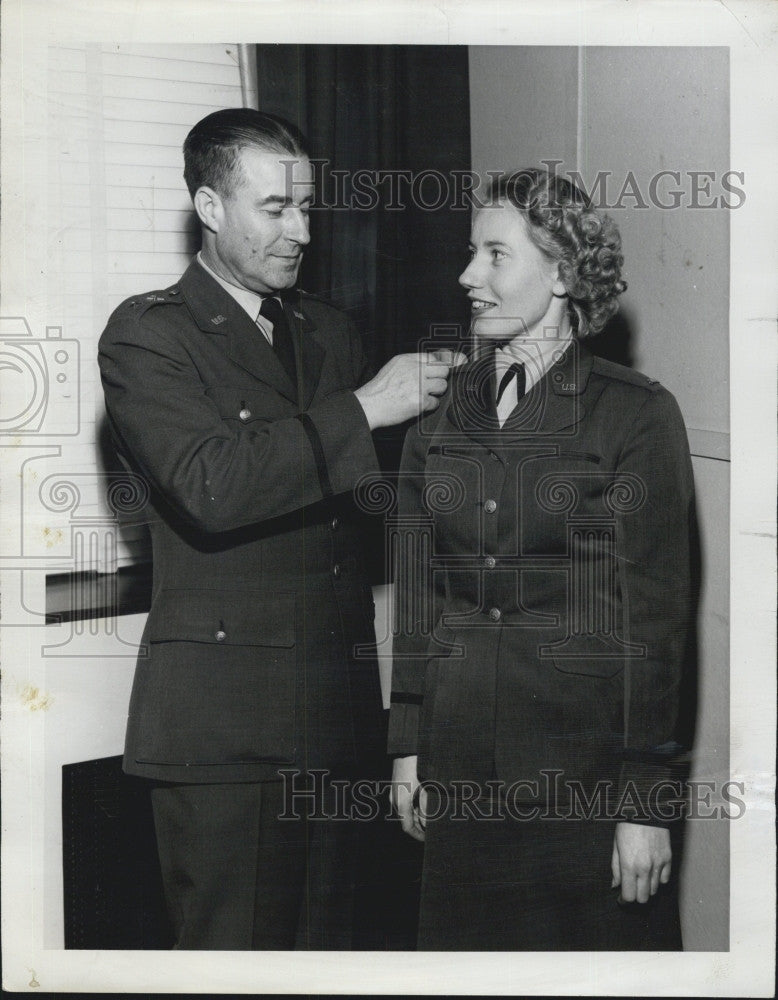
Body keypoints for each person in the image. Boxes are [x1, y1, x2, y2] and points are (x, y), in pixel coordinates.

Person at [98, 107, 456, 950]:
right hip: (224, 734)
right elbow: (211, 487)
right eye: (275, 209)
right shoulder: (150, 334)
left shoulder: (326, 328)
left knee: (328, 956)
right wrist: (368, 406)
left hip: (336, 717)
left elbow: (368, 503)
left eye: (307, 209)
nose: (300, 232)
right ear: (210, 208)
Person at [388, 168, 696, 950]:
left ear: (561, 273)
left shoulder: (636, 415)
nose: (467, 276)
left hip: (583, 775)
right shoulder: (436, 422)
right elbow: (423, 598)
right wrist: (409, 746)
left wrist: (644, 804)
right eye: (470, 254)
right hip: (458, 766)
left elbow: (655, 625)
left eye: (495, 255)